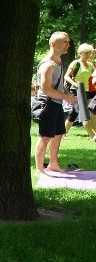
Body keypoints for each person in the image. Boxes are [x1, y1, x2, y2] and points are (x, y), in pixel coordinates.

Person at [35, 32, 78, 173]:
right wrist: (65, 97)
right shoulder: (48, 64)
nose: (68, 45)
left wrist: (67, 93)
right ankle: (39, 169)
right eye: (65, 42)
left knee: (59, 134)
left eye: (68, 42)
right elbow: (46, 89)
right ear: (54, 44)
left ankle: (53, 164)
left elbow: (58, 84)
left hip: (57, 103)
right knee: (45, 137)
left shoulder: (58, 61)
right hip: (48, 104)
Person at [62, 43, 96, 141]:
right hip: (75, 89)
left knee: (75, 111)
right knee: (82, 111)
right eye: (87, 52)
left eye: (90, 52)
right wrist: (74, 83)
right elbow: (66, 76)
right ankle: (92, 135)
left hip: (85, 90)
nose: (89, 54)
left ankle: (63, 132)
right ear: (81, 53)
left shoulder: (90, 65)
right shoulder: (76, 63)